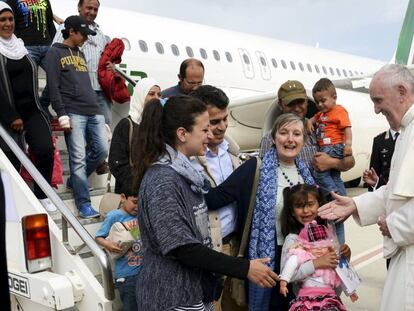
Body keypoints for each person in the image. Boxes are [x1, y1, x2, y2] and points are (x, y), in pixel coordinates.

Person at [132, 95, 278, 311]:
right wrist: (245, 268)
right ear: (182, 134)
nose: (210, 135)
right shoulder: (163, 180)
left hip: (190, 291)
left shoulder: (184, 174)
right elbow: (184, 248)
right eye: (203, 130)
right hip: (171, 297)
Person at [318, 64, 414, 311]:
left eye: (378, 100)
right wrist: (355, 203)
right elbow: (395, 189)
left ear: (402, 91)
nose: (375, 109)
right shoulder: (406, 131)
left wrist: (394, 224)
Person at [248, 113, 316, 311]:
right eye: (284, 133)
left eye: (297, 134)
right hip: (270, 256)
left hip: (302, 256)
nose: (290, 139)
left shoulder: (307, 175)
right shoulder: (258, 170)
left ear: (303, 140)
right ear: (273, 138)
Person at [45, 15, 108, 218]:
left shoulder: (79, 53)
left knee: (101, 151)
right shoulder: (54, 53)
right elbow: (53, 86)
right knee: (78, 159)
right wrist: (61, 113)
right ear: (71, 31)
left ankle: (75, 180)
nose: (85, 38)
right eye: (83, 34)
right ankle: (83, 204)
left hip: (93, 110)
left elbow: (85, 84)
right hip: (73, 111)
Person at [191, 85, 244, 311]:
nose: (222, 127)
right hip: (210, 251)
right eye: (214, 122)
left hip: (236, 246)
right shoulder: (190, 161)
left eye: (224, 119)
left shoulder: (232, 151)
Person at [0, 2, 55, 212]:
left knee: (45, 149)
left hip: (32, 110)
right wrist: (11, 115)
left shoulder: (20, 46)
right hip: (8, 115)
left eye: (10, 19)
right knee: (12, 159)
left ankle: (41, 193)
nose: (7, 24)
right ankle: (12, 204)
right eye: (2, 20)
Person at [279, 184, 354, 311]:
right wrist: (316, 263)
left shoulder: (328, 231)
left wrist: (345, 257)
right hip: (306, 304)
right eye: (299, 206)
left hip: (330, 300)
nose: (306, 211)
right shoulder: (293, 239)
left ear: (319, 204)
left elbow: (336, 266)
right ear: (292, 211)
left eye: (310, 204)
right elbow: (288, 276)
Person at [259, 80, 355, 175]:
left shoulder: (320, 128)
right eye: (291, 104)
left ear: (307, 102)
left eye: (300, 102)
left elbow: (350, 162)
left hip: (322, 190)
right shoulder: (269, 138)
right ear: (280, 105)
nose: (296, 108)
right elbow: (264, 175)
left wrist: (332, 163)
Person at [53, 0, 113, 126]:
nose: (92, 12)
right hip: (78, 92)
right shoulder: (67, 27)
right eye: (89, 8)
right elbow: (56, 55)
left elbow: (103, 58)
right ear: (79, 7)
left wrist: (110, 66)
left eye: (95, 9)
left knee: (104, 130)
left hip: (100, 90)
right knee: (81, 131)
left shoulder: (99, 33)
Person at [307, 78, 352, 244]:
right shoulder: (321, 114)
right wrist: (310, 121)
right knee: (334, 176)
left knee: (318, 172)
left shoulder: (339, 111)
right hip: (327, 147)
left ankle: (335, 194)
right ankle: (340, 195)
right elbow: (314, 117)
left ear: (334, 97)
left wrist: (348, 145)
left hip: (333, 147)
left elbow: (347, 128)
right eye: (317, 101)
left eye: (323, 101)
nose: (319, 104)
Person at [6, 0, 61, 116]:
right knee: (29, 83)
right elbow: (11, 22)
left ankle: (43, 103)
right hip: (26, 46)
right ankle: (34, 112)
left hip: (47, 46)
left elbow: (50, 22)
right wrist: (16, 44)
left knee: (61, 74)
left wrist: (55, 44)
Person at [108, 78, 161, 194]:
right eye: (151, 94)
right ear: (140, 96)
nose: (156, 98)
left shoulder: (161, 126)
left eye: (159, 94)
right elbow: (117, 163)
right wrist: (136, 189)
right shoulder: (126, 125)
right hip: (131, 197)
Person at [95, 191, 142, 311]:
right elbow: (99, 237)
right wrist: (108, 244)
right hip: (127, 275)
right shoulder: (114, 216)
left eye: (141, 202)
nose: (137, 207)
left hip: (145, 271)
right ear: (123, 197)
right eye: (135, 202)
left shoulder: (141, 214)